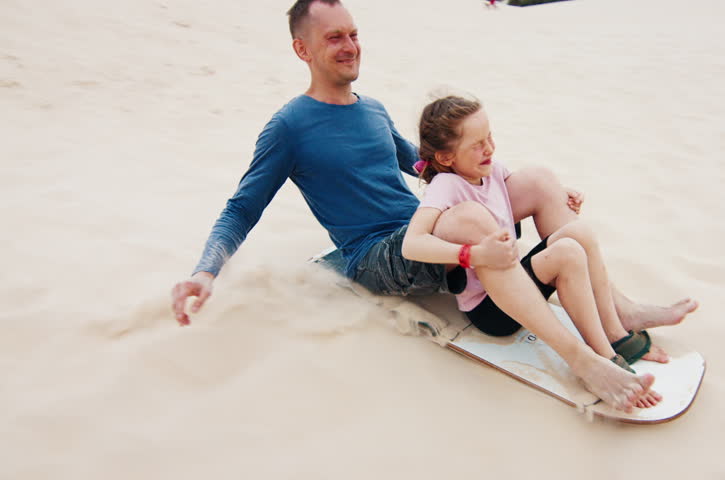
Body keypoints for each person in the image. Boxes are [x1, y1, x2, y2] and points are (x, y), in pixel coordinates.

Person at [170, 0, 698, 413]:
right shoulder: (288, 128)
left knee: (537, 178)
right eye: (335, 37)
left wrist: (529, 192)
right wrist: (205, 270)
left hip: (428, 231)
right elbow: (242, 207)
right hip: (376, 254)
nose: (350, 45)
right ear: (302, 49)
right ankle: (583, 360)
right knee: (468, 220)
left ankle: (617, 310)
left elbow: (426, 170)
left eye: (354, 33)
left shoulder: (371, 108)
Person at [403, 95, 675, 408]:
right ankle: (603, 359)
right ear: (447, 157)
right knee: (567, 253)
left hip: (518, 287)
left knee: (578, 233)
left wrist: (562, 196)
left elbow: (521, 189)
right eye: (477, 144)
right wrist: (472, 255)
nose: (489, 148)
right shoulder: (446, 186)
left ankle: (612, 334)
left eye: (489, 137)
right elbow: (413, 243)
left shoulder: (490, 170)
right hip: (491, 311)